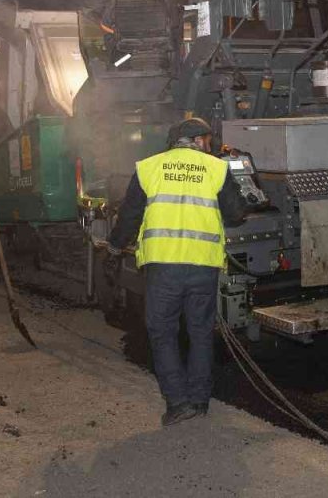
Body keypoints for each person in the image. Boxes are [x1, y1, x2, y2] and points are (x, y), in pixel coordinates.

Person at [106, 117, 247, 427]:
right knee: (200, 332)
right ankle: (200, 399)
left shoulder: (148, 167)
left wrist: (114, 249)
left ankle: (178, 403)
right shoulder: (217, 168)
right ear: (197, 140)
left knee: (162, 333)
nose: (208, 145)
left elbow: (128, 217)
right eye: (207, 140)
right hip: (203, 266)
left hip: (164, 268)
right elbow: (237, 215)